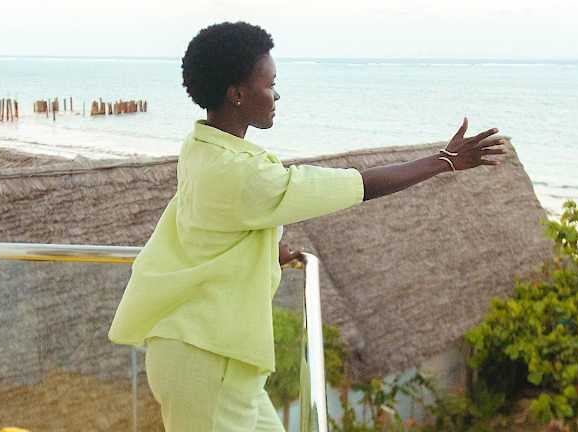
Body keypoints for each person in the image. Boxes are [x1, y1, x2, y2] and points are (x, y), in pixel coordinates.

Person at [108, 21, 506, 432]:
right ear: (238, 94)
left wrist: (268, 250)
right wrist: (443, 161)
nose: (277, 95)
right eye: (270, 84)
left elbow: (207, 224)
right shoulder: (240, 174)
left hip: (218, 356)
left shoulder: (202, 146)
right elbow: (357, 185)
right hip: (204, 360)